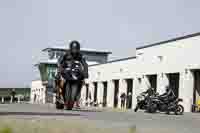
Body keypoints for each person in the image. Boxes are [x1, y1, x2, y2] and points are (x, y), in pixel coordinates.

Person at [56, 40, 88, 106]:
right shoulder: (66, 54)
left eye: (76, 49)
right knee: (57, 78)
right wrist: (60, 68)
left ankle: (77, 96)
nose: (75, 50)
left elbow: (85, 64)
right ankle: (58, 93)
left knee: (82, 81)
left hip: (75, 73)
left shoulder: (80, 56)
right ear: (70, 48)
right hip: (65, 71)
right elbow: (59, 61)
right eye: (73, 49)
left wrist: (86, 72)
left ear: (78, 49)